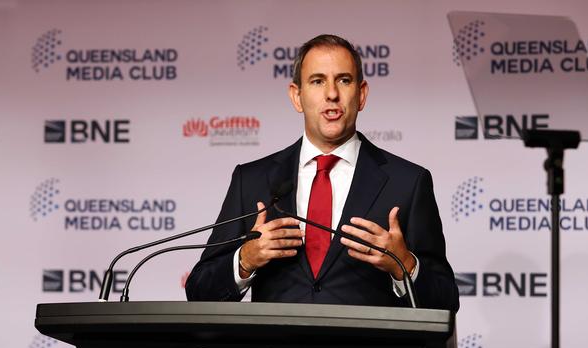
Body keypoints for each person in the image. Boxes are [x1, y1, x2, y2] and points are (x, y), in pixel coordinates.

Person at [186, 34, 459, 310]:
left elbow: (446, 300)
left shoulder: (407, 183)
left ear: (361, 94)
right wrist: (245, 261)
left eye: (344, 80)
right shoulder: (253, 181)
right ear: (297, 96)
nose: (331, 93)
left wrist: (405, 265)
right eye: (317, 81)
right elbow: (199, 292)